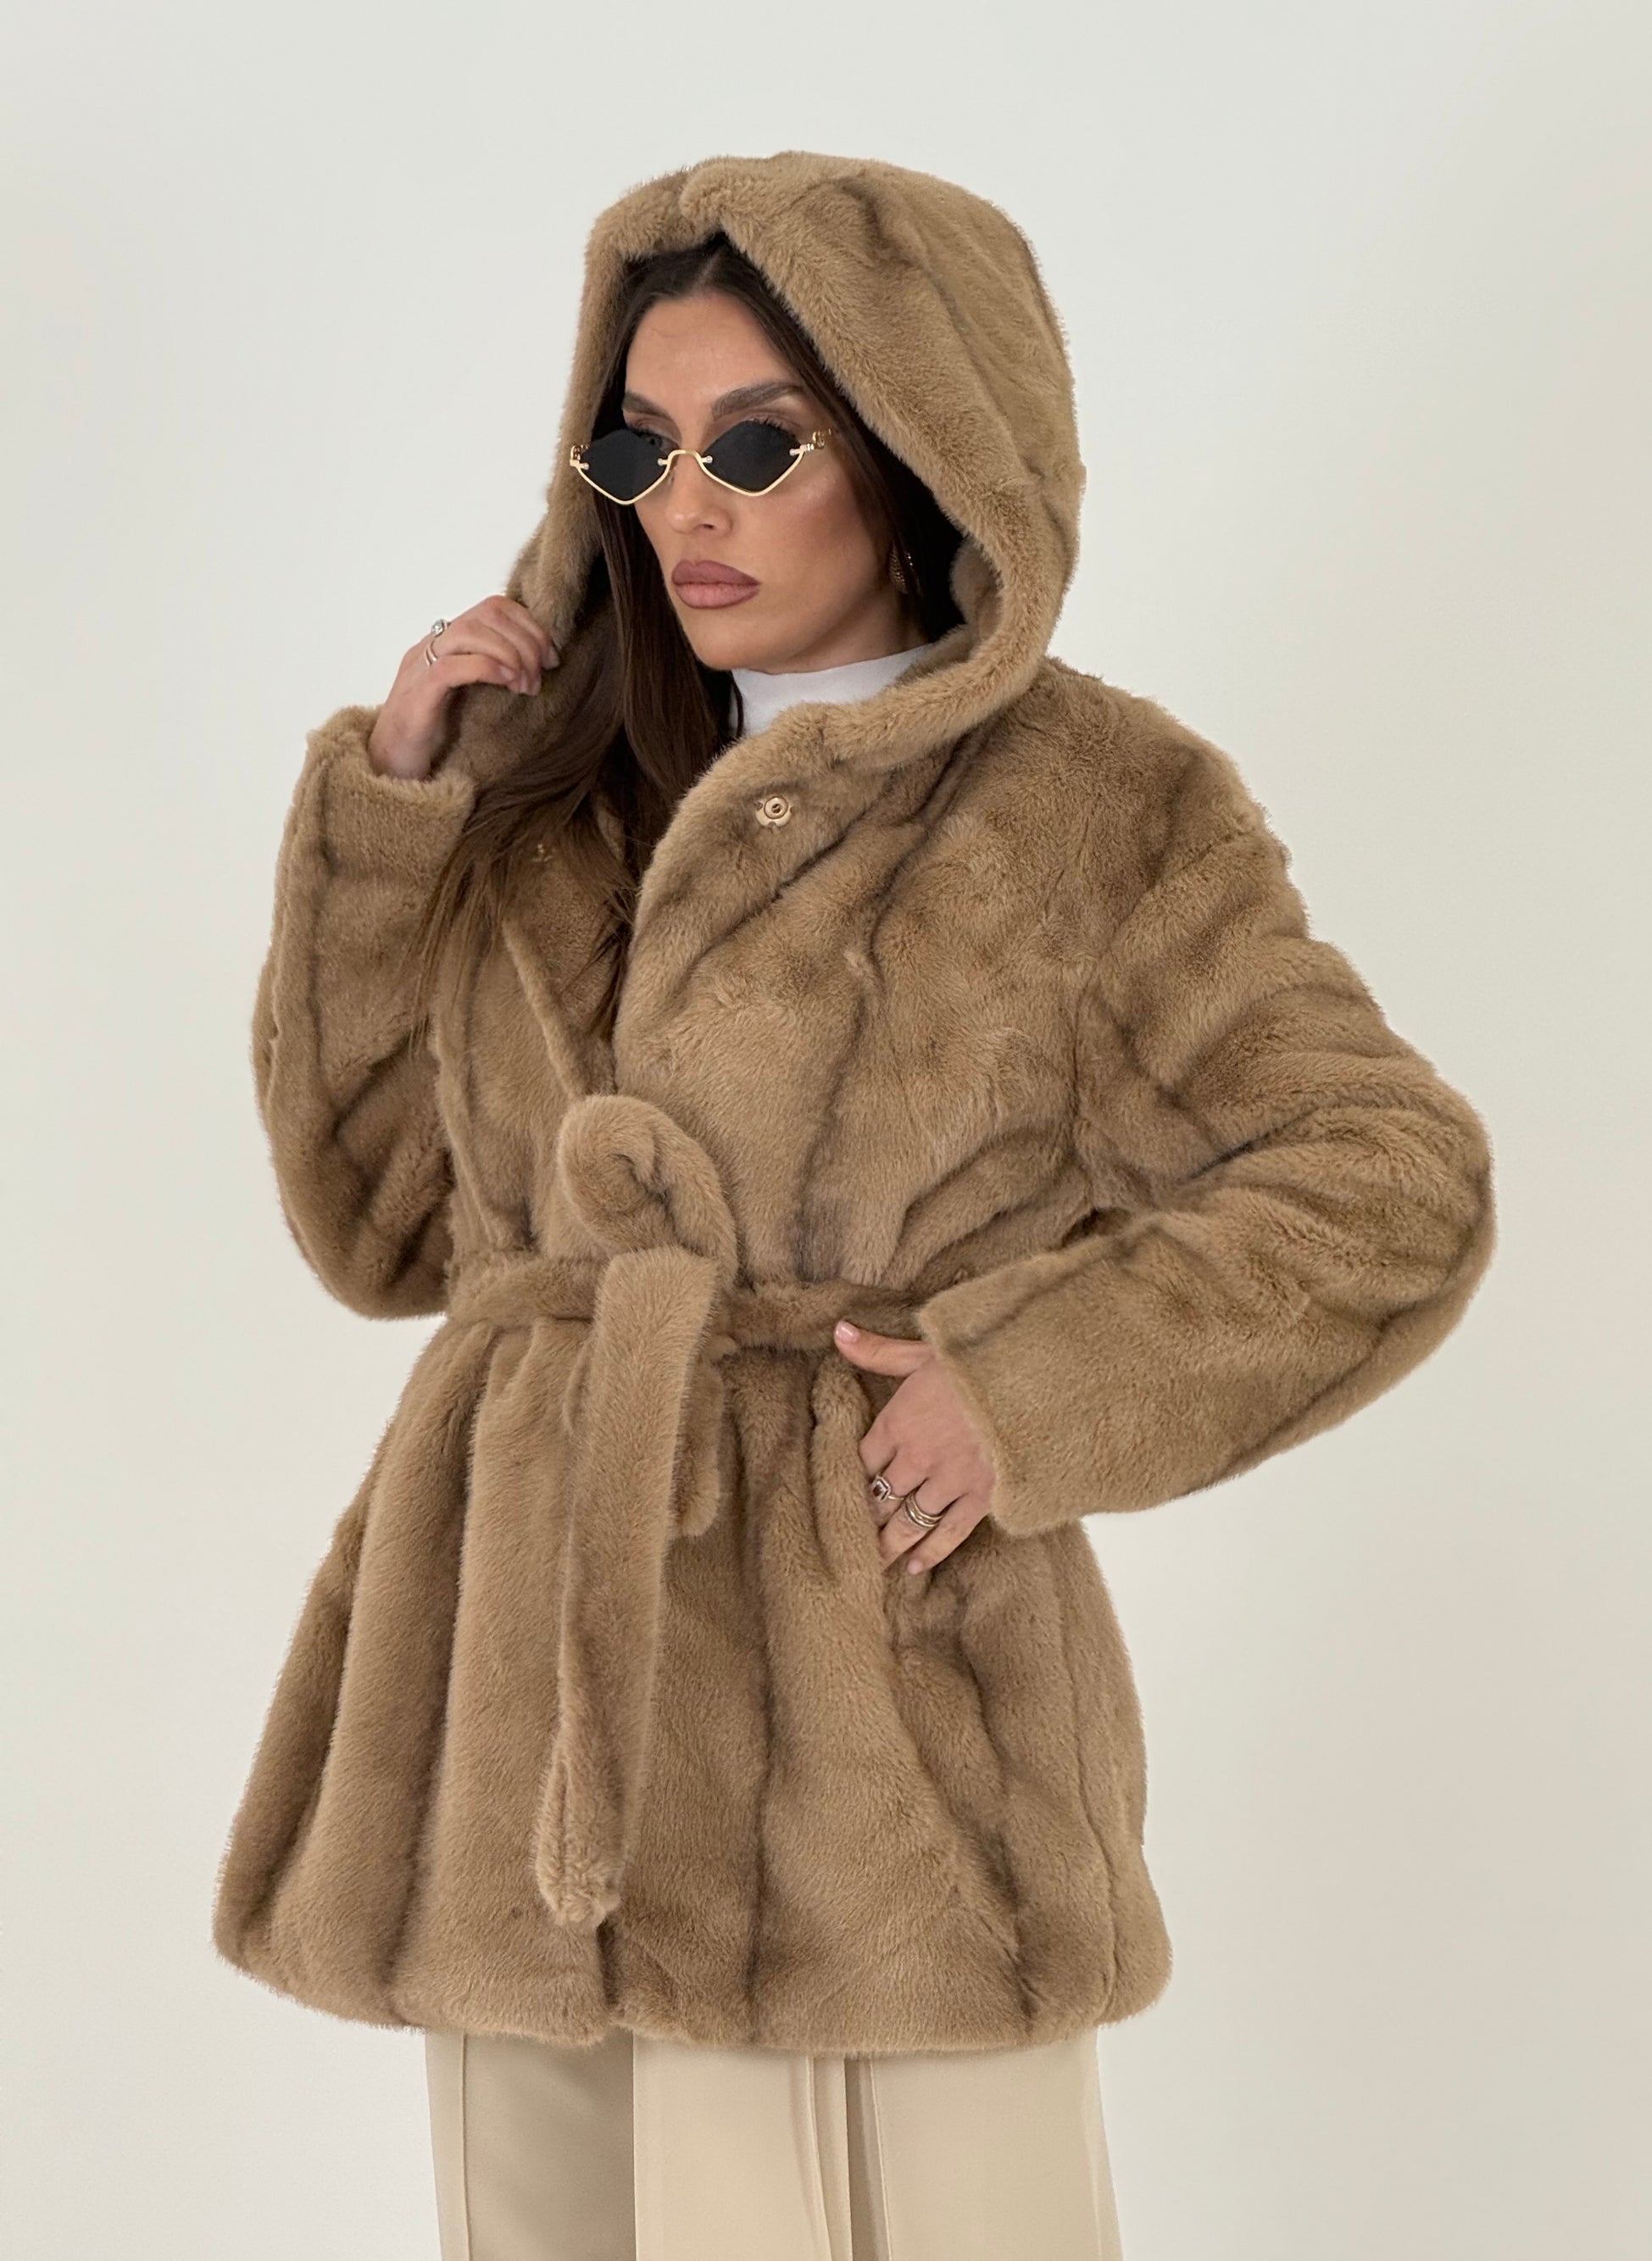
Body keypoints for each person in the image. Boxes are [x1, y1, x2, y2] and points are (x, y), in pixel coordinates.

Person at [212, 153, 1497, 2260]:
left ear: (916, 454)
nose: (684, 506)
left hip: (874, 1730)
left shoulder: (1090, 807)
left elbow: (1386, 1176)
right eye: (636, 448)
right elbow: (374, 1227)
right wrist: (403, 809)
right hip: (525, 1731)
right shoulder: (550, 801)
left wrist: (1030, 1384)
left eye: (755, 446)